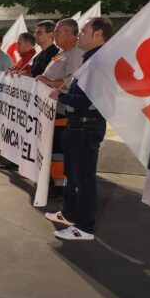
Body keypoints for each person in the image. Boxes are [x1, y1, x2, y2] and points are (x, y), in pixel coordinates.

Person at [46, 17, 113, 241]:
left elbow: (90, 101)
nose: (79, 35)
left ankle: (84, 227)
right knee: (73, 176)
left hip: (86, 126)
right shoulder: (90, 60)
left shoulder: (99, 63)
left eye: (83, 31)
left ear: (98, 34)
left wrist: (61, 95)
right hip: (78, 126)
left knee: (84, 179)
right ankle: (69, 214)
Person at [37, 18, 85, 197]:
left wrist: (47, 81)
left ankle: (60, 185)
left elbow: (71, 82)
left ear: (71, 33)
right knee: (52, 148)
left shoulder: (76, 53)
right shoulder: (62, 53)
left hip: (62, 110)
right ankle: (54, 181)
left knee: (59, 149)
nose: (54, 35)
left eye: (58, 31)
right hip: (50, 109)